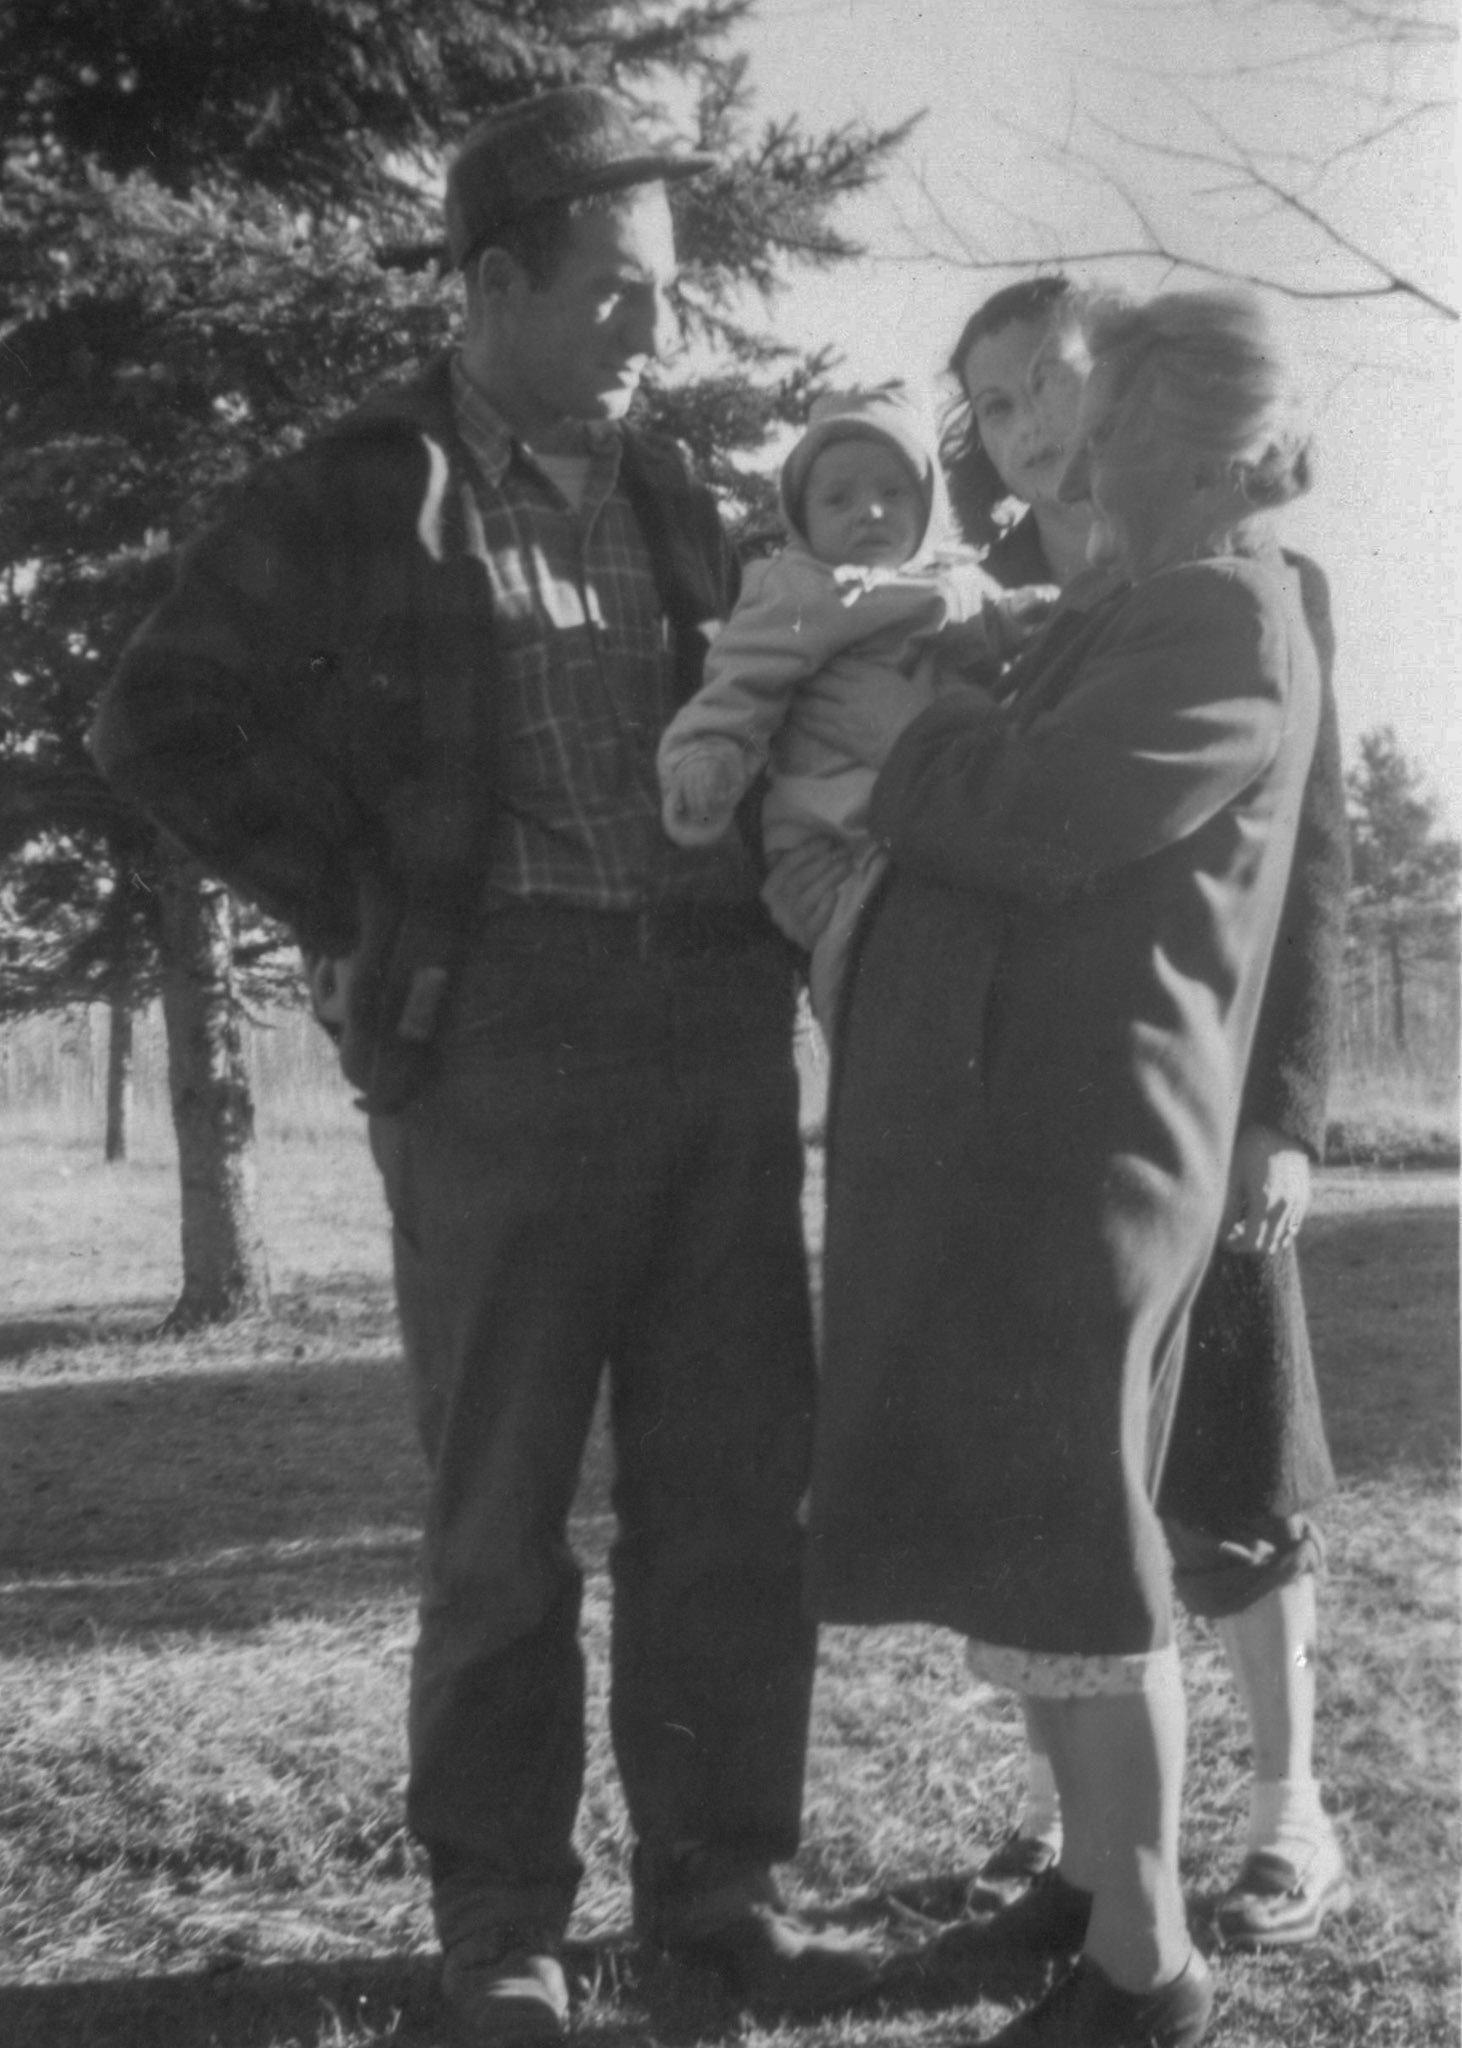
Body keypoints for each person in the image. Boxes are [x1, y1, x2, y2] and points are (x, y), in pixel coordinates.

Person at [89, 85, 878, 2047]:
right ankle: (502, 1928)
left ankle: (719, 1891)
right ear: (500, 282)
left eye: (666, 295)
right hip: (496, 1054)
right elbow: (160, 713)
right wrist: (355, 898)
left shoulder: (673, 489)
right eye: (620, 291)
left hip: (715, 1038)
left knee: (732, 1494)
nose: (654, 329)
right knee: (501, 1515)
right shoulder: (363, 486)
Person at [804, 288, 1325, 2047]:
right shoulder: (1121, 604)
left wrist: (912, 733)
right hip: (1016, 1141)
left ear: (1218, 459)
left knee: (1087, 1554)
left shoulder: (1224, 616)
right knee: (1031, 1540)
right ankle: (1092, 1881)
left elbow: (1024, 815)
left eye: (1114, 439)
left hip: (1089, 1150)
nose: (1078, 468)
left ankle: (1144, 1967)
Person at [942, 276, 1351, 1950]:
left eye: (1053, 384)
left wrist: (1286, 1113)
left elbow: (1308, 871)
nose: (1033, 427)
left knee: (1231, 1466)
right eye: (995, 404)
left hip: (1207, 1092)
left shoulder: (1256, 586)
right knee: (1073, 1477)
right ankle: (1097, 1849)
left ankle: (1287, 1809)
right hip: (1057, 1111)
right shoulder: (984, 612)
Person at [657, 384, 1052, 1028]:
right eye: (838, 499)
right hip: (836, 831)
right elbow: (738, 686)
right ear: (801, 516)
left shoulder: (958, 578)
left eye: (893, 493)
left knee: (968, 974)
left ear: (928, 506)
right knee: (861, 980)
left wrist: (1015, 618)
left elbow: (981, 631)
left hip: (937, 823)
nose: (869, 512)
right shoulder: (795, 593)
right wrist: (708, 756)